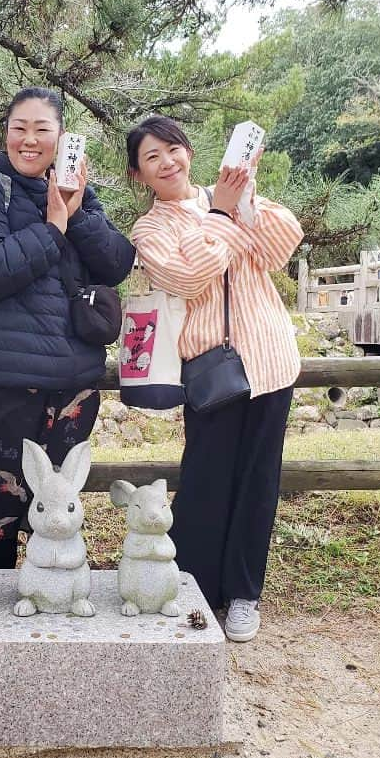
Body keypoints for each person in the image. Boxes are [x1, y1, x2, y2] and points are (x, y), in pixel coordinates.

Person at [0, 87, 135, 568]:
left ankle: (54, 602)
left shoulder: (79, 194)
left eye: (41, 130)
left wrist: (73, 211)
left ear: (62, 137)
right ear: (6, 134)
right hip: (6, 383)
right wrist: (51, 229)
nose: (29, 140)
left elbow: (116, 263)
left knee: (58, 505)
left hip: (73, 385)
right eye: (18, 129)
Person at [126, 115, 303, 642]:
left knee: (258, 482)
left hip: (269, 355)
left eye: (172, 149)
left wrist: (246, 197)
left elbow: (279, 249)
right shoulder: (150, 228)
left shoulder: (224, 195)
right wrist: (221, 215)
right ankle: (194, 587)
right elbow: (185, 275)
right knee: (205, 481)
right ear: (139, 175)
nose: (167, 162)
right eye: (151, 157)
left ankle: (245, 594)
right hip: (209, 366)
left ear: (189, 150)